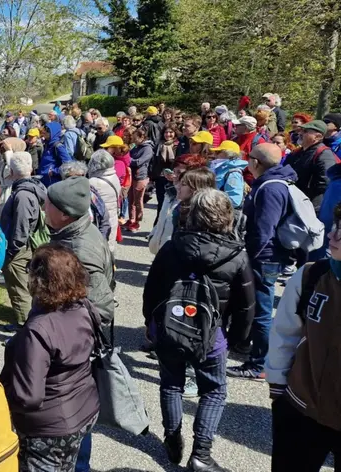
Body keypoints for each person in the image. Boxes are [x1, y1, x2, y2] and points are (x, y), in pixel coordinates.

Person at [143, 189, 255, 472]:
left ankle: (172, 436)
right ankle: (201, 455)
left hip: (170, 327)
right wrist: (238, 340)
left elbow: (152, 289)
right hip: (211, 333)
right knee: (214, 390)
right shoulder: (237, 255)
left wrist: (150, 323)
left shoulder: (172, 247)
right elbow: (246, 305)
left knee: (171, 383)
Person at [0, 245, 99, 472]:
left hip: (49, 428)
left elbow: (29, 397)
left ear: (38, 280)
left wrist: (3, 399)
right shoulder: (84, 307)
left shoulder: (39, 329)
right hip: (85, 409)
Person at [266, 203, 341, 471]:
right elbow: (285, 332)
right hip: (302, 406)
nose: (332, 236)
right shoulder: (312, 275)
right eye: (334, 227)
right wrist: (278, 383)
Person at [227, 143, 295, 379]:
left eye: (249, 157)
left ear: (256, 162)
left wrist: (247, 258)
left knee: (262, 312)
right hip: (263, 256)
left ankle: (259, 364)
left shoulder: (270, 189)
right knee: (253, 307)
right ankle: (245, 346)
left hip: (264, 259)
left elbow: (264, 231)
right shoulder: (270, 183)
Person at [45, 176, 114, 326]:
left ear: (65, 214)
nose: (44, 208)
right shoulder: (76, 229)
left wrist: (62, 332)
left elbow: (102, 310)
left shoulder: (79, 253)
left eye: (49, 204)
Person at [0, 152, 46, 326]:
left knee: (19, 289)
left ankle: (24, 329)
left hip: (19, 248)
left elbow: (21, 226)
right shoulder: (33, 186)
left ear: (11, 171)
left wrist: (12, 251)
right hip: (24, 245)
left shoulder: (23, 195)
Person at [284, 120, 338, 212]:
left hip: (310, 207)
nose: (300, 133)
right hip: (294, 202)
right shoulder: (297, 153)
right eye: (301, 130)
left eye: (305, 131)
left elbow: (325, 183)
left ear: (318, 137)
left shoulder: (324, 155)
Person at [88, 149, 121, 251]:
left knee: (98, 250)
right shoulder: (114, 176)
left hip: (100, 221)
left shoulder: (93, 182)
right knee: (109, 247)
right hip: (112, 217)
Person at [125, 127, 155, 232]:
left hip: (140, 177)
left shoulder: (148, 149)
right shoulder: (136, 147)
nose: (133, 140)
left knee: (138, 200)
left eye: (135, 138)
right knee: (130, 200)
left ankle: (137, 222)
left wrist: (128, 160)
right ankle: (131, 219)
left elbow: (139, 162)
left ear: (142, 137)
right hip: (132, 175)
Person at [209, 140, 248, 211]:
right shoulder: (220, 169)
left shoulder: (233, 173)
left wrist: (212, 202)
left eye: (218, 152)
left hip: (222, 214)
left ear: (228, 155)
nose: (214, 155)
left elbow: (235, 200)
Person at [40, 121, 72, 187]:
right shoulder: (47, 144)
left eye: (47, 131)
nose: (44, 132)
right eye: (44, 130)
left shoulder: (58, 146)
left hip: (53, 183)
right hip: (45, 180)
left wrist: (54, 171)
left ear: (53, 132)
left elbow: (69, 164)